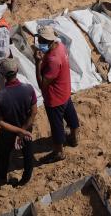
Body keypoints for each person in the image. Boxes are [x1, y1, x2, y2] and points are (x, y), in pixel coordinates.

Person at [34, 26, 79, 163]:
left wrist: (38, 63)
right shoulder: (60, 47)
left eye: (41, 40)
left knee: (56, 126)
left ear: (48, 41)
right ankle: (74, 138)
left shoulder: (53, 60)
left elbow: (42, 84)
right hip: (64, 90)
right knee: (70, 115)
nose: (39, 42)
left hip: (55, 98)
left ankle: (59, 152)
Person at [0, 57, 36, 187]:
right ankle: (25, 179)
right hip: (27, 128)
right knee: (27, 154)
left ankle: (1, 178)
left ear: (2, 74)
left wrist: (17, 131)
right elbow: (33, 112)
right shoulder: (28, 89)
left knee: (4, 154)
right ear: (16, 70)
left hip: (8, 132)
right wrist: (23, 131)